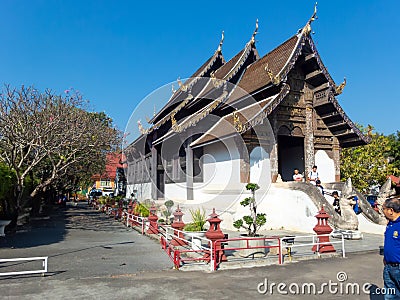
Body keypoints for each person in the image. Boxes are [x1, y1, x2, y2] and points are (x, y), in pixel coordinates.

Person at [382, 197, 400, 298]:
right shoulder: (390, 225)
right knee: (390, 295)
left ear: (391, 210)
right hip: (388, 267)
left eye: (383, 209)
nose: (383, 212)